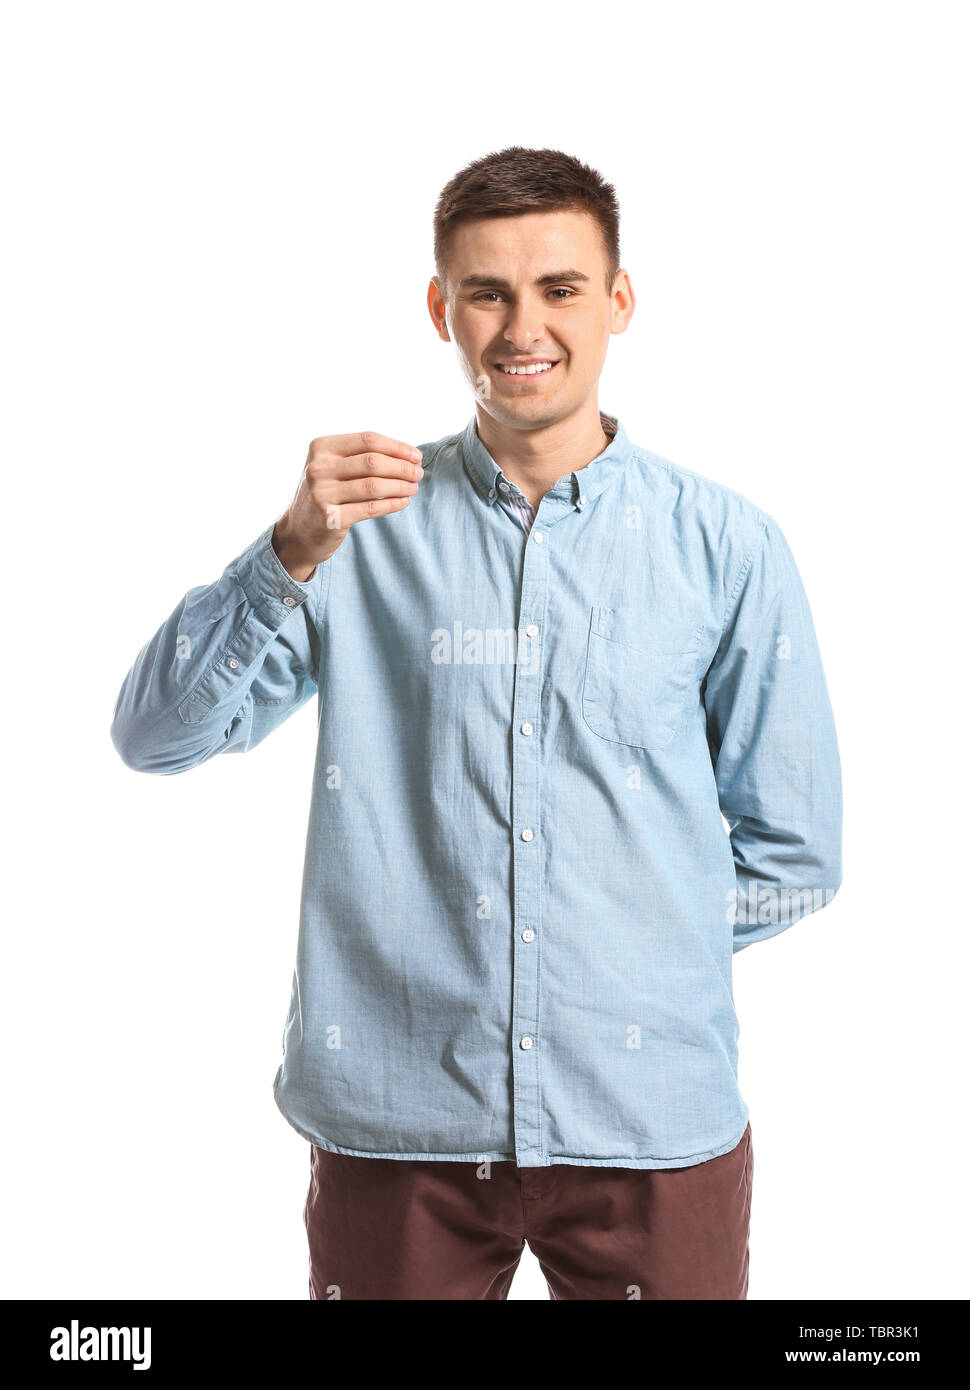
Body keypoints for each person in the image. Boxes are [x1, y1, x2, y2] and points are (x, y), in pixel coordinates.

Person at [110, 146, 842, 1300]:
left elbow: (795, 851)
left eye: (558, 287)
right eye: (488, 292)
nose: (522, 326)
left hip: (650, 1126)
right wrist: (285, 553)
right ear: (440, 307)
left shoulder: (727, 547)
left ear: (619, 301)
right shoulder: (357, 531)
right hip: (397, 1129)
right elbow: (155, 737)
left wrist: (619, 961)